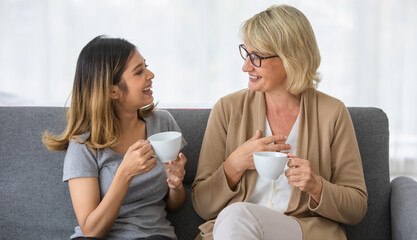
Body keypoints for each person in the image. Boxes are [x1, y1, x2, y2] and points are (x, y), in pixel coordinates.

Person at [191, 4, 367, 240]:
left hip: (302, 233)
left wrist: (316, 185)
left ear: (290, 58)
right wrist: (234, 165)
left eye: (257, 57)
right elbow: (202, 205)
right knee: (236, 216)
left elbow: (356, 207)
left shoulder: (332, 113)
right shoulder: (227, 109)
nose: (246, 66)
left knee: (237, 215)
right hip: (233, 230)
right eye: (246, 52)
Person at [42, 35, 187, 240]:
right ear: (112, 91)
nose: (151, 74)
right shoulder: (83, 145)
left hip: (153, 235)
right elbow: (91, 231)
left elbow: (175, 205)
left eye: (146, 66)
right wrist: (124, 174)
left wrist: (176, 185)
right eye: (139, 72)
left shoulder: (163, 125)